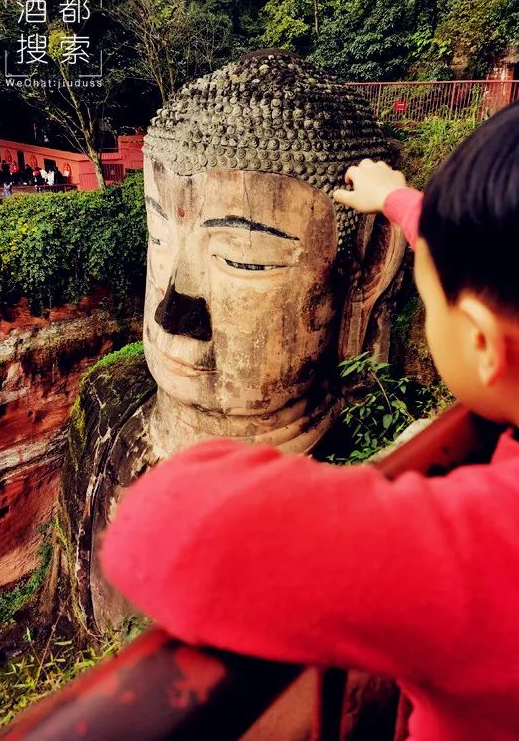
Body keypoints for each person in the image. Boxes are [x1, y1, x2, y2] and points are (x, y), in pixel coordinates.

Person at [101, 102, 519, 741]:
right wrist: (401, 203)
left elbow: (164, 532)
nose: (170, 310)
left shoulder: (484, 555)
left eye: (244, 258)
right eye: (159, 238)